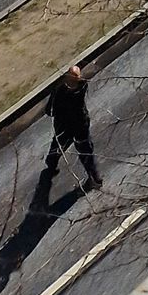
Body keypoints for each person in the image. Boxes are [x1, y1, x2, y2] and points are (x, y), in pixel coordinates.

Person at [38, 64, 101, 197]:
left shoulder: (60, 92)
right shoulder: (83, 86)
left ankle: (50, 167)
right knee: (85, 152)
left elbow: (49, 111)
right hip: (81, 124)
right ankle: (95, 178)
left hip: (64, 126)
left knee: (58, 146)